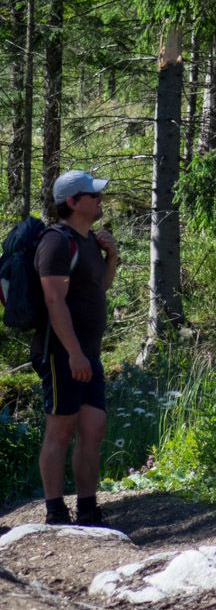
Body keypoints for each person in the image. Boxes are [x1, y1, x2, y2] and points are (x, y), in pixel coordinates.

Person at [32, 170, 118, 526]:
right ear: (72, 202)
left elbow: (100, 288)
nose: (99, 199)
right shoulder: (55, 242)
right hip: (61, 353)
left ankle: (87, 508)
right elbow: (54, 300)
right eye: (92, 195)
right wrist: (74, 354)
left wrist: (111, 256)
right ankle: (55, 511)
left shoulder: (88, 241)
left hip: (88, 353)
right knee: (61, 429)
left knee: (94, 427)